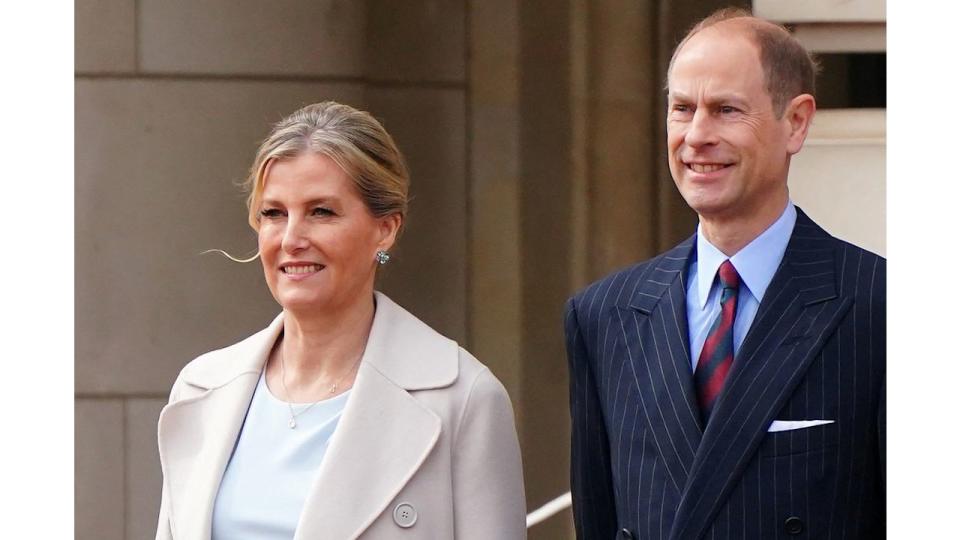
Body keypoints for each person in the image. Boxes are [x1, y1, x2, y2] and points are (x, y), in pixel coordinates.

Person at [564, 9, 884, 540]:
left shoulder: (882, 305)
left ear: (797, 122)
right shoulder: (603, 315)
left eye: (726, 110)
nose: (696, 136)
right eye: (682, 109)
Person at [155, 101, 527, 539]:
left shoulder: (462, 399)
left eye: (321, 212)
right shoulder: (203, 387)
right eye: (274, 213)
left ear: (385, 229)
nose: (292, 239)